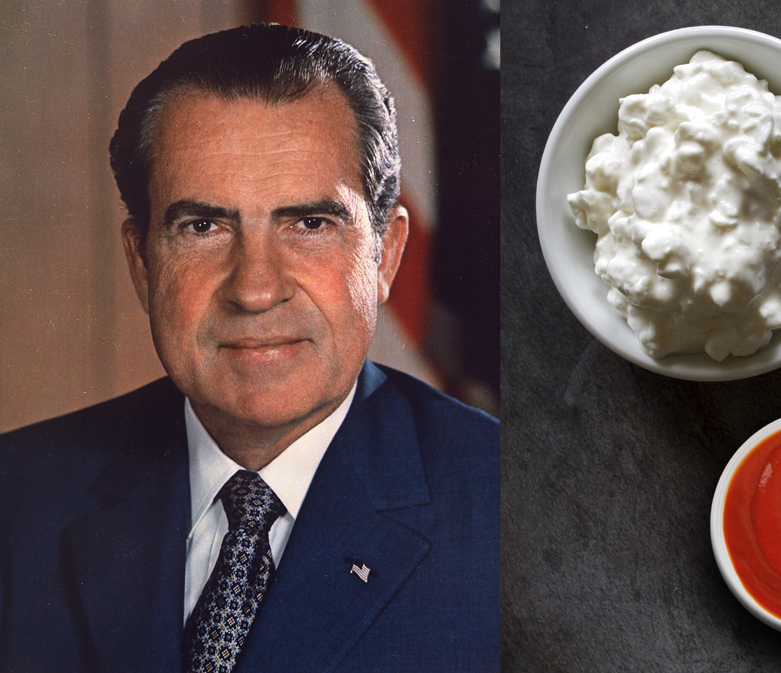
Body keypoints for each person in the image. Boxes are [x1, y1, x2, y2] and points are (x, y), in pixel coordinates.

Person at [0, 24, 498, 673]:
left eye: (309, 223)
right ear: (142, 263)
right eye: (203, 226)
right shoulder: (18, 498)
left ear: (386, 255)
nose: (255, 288)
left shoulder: (502, 511)